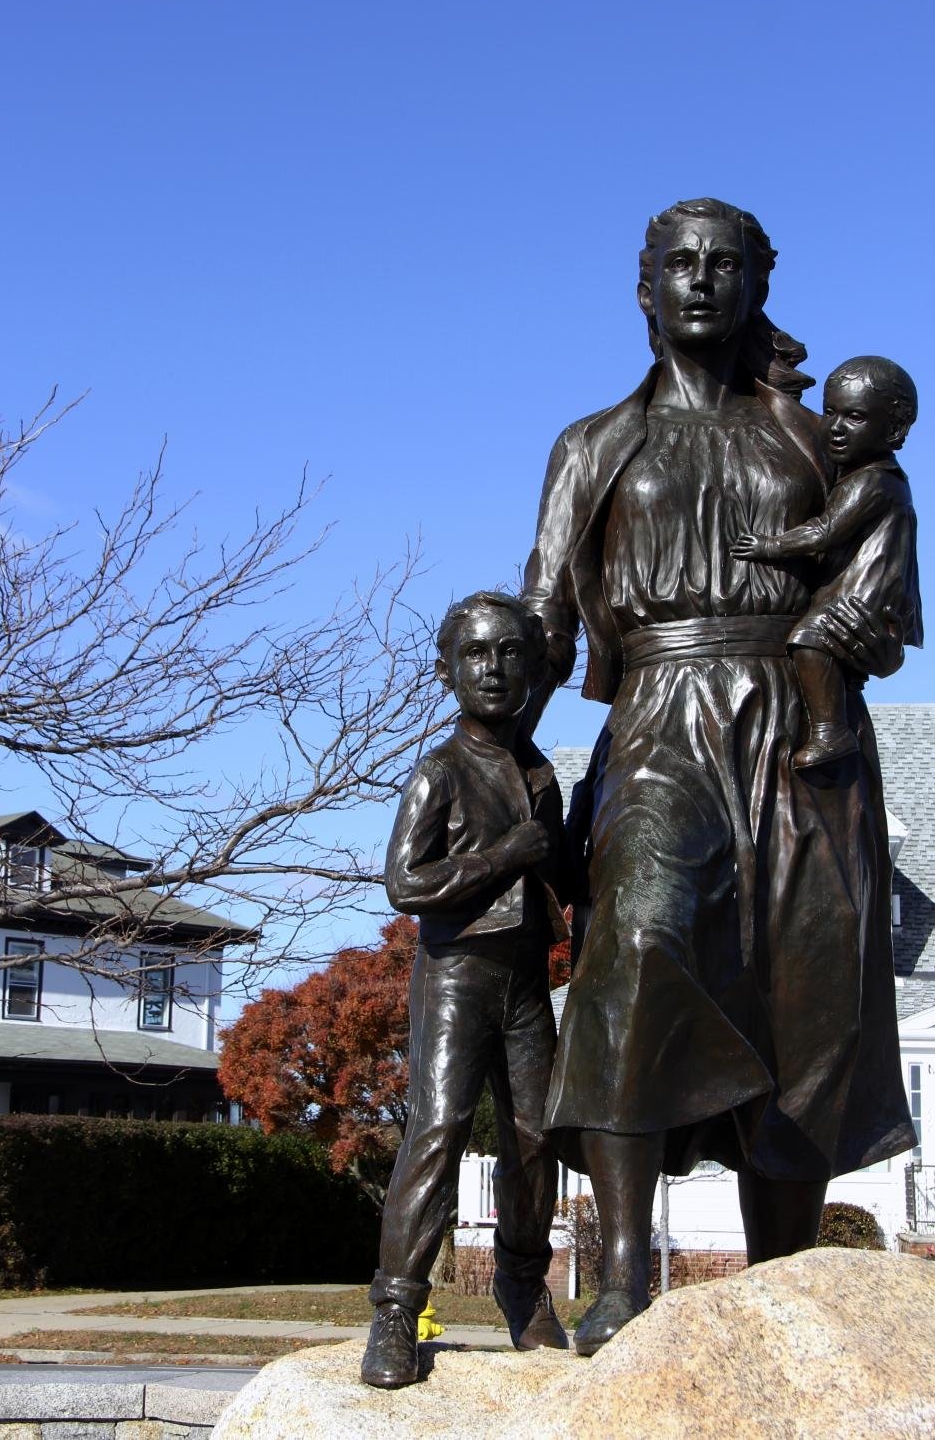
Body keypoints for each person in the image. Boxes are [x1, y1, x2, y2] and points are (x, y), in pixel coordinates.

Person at [521, 199, 918, 1356]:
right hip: (656, 714)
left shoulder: (817, 439)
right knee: (636, 949)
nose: (700, 282)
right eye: (677, 265)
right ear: (642, 288)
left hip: (806, 724)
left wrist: (838, 649)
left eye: (724, 266)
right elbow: (548, 613)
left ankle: (781, 1282)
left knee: (807, 998)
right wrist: (494, 757)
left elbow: (884, 591)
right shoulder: (594, 445)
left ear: (756, 284)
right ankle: (627, 1271)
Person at [360, 590, 570, 1390]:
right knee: (438, 1130)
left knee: (536, 1138)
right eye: (476, 654)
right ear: (446, 671)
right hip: (457, 975)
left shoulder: (540, 773)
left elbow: (562, 871)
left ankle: (522, 1285)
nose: (494, 669)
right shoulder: (440, 771)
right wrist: (505, 855)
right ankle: (394, 1310)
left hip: (526, 980)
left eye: (511, 653)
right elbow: (403, 884)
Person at [731, 356, 922, 768]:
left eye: (854, 417)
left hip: (862, 596)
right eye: (830, 411)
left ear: (893, 430)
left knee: (811, 638)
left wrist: (768, 547)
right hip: (854, 591)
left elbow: (824, 531)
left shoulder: (873, 481)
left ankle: (830, 732)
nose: (834, 427)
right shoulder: (863, 476)